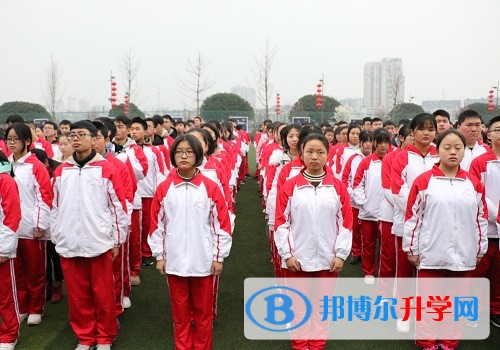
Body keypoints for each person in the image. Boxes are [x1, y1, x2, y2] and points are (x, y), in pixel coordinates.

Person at [404, 129, 488, 350]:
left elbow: (481, 219)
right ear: (437, 150)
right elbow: (413, 218)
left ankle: (449, 342)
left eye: (458, 148)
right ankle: (427, 342)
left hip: (465, 255)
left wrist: (479, 250)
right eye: (447, 148)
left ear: (463, 152)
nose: (453, 152)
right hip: (432, 253)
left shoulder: (473, 184)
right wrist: (411, 248)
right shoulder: (424, 182)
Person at [149, 134, 232, 350]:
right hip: (175, 261)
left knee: (203, 313)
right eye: (179, 152)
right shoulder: (164, 188)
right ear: (173, 156)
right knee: (180, 312)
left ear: (198, 155)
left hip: (203, 260)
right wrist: (160, 255)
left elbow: (221, 225)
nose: (183, 156)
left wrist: (218, 256)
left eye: (189, 152)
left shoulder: (210, 187)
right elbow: (156, 225)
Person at [51, 120, 128, 350]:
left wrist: (116, 240)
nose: (75, 139)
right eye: (72, 134)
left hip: (99, 242)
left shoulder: (106, 169)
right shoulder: (61, 171)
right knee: (77, 296)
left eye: (81, 134)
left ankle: (105, 336)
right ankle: (85, 337)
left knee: (103, 294)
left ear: (95, 139)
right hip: (69, 243)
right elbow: (55, 207)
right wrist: (57, 234)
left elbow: (118, 208)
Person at [275, 133, 352, 350]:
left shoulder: (337, 187)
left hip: (328, 260)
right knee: (299, 306)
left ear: (328, 155)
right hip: (298, 259)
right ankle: (300, 345)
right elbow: (281, 223)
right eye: (309, 151)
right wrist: (287, 254)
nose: (315, 157)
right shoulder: (290, 187)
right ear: (301, 154)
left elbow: (346, 224)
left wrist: (340, 254)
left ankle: (316, 345)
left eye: (320, 152)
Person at [391, 113, 439, 333]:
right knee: (405, 269)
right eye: (421, 128)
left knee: (428, 272)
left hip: (435, 226)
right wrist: (418, 212)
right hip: (407, 223)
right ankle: (403, 312)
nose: (426, 133)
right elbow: (396, 190)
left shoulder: (439, 155)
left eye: (431, 129)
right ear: (412, 132)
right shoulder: (401, 157)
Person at [6, 123, 53, 326]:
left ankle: (36, 307)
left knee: (35, 271)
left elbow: (45, 197)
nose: (12, 143)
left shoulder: (36, 166)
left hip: (31, 228)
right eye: (9, 139)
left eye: (16, 139)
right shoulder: (6, 164)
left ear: (27, 141)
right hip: (11, 229)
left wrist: (40, 225)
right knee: (17, 272)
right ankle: (22, 306)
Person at [469, 115, 500, 328]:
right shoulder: (480, 162)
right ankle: (474, 312)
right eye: (498, 129)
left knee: (498, 275)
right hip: (484, 230)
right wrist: (496, 215)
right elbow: (477, 193)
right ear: (488, 134)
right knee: (478, 273)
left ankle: (495, 309)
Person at [352, 129, 391, 285]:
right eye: (379, 142)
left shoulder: (393, 160)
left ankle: (383, 271)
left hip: (388, 214)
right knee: (368, 244)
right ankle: (368, 272)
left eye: (386, 142)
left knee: (386, 247)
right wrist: (364, 203)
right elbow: (357, 184)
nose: (382, 146)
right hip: (368, 213)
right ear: (374, 143)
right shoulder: (366, 162)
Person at [30, 148, 64, 304]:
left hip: (54, 220)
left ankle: (57, 283)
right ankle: (47, 282)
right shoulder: (29, 174)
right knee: (42, 256)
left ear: (45, 162)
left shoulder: (57, 173)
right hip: (37, 220)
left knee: (53, 253)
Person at [0, 151, 22, 350]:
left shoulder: (5, 182)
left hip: (0, 248)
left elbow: (12, 216)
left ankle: (9, 333)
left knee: (5, 294)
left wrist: (4, 248)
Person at [342, 131, 373, 265]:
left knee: (369, 233)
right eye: (365, 141)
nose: (368, 144)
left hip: (372, 202)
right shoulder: (353, 158)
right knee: (355, 228)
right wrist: (352, 193)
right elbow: (345, 178)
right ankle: (356, 252)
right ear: (360, 142)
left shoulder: (376, 159)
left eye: (370, 141)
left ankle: (368, 255)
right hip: (354, 202)